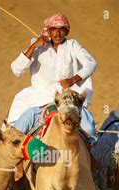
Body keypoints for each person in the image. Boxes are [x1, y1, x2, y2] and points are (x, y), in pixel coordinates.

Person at [8, 12, 97, 140]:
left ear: (66, 31)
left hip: (68, 99)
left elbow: (91, 63)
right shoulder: (37, 46)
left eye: (62, 30)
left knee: (89, 130)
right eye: (54, 29)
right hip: (39, 99)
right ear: (48, 31)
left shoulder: (72, 45)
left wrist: (72, 80)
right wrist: (33, 46)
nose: (57, 33)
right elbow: (16, 69)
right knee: (16, 132)